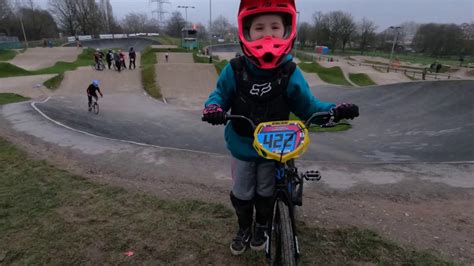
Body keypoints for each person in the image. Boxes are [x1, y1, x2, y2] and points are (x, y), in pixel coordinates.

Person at [201, 0, 359, 256]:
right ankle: (244, 227)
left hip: (275, 146)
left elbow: (309, 106)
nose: (267, 34)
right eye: (259, 28)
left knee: (265, 191)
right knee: (242, 192)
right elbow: (218, 95)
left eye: (275, 26)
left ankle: (262, 225)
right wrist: (213, 108)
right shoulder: (235, 70)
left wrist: (333, 111)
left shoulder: (289, 72)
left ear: (287, 30)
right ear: (246, 31)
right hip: (242, 145)